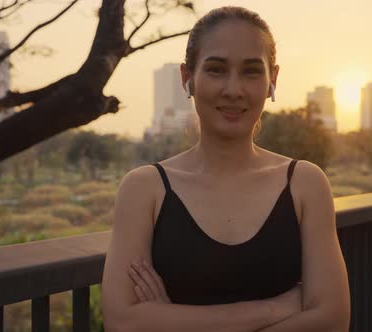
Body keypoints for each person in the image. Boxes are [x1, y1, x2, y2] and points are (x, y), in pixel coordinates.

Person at [101, 6, 350, 332]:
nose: (234, 89)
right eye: (217, 70)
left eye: (251, 71)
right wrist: (274, 308)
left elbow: (332, 321)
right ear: (187, 77)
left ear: (272, 79)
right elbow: (122, 322)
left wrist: (171, 320)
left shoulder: (305, 184)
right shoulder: (145, 189)